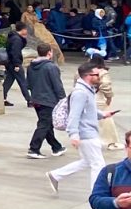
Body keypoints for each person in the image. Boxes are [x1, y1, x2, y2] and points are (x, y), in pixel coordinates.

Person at [47, 61, 113, 194]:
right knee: (98, 164)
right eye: (97, 74)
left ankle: (56, 175)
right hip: (86, 134)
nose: (99, 77)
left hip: (86, 132)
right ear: (89, 76)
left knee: (87, 161)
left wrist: (102, 114)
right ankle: (97, 193)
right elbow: (74, 115)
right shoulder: (81, 93)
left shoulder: (86, 91)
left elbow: (88, 110)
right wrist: (74, 135)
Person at [24, 43, 67, 158]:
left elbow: (28, 84)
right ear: (49, 53)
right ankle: (34, 148)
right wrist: (63, 100)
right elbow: (57, 85)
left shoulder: (31, 66)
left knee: (47, 124)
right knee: (44, 124)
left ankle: (56, 147)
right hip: (48, 100)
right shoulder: (51, 67)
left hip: (36, 99)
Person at [1, 24, 31, 108]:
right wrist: (17, 64)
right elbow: (15, 53)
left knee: (8, 81)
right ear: (23, 30)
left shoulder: (13, 37)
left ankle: (1, 98)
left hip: (10, 63)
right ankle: (29, 100)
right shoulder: (17, 39)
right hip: (14, 64)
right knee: (22, 82)